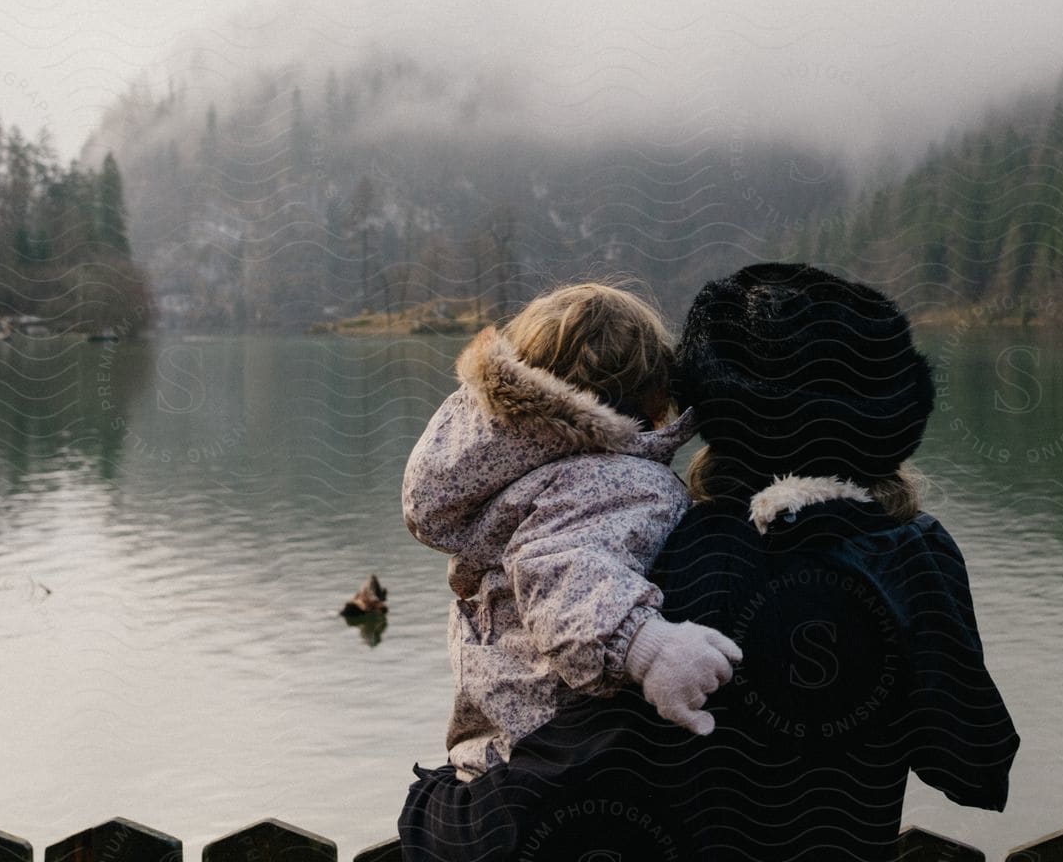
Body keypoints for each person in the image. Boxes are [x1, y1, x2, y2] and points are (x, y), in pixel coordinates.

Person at [399, 263, 1019, 861]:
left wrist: (432, 810)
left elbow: (549, 801)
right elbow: (974, 766)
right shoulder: (916, 553)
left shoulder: (679, 559)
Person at [400, 281, 744, 786]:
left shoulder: (513, 474)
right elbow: (559, 567)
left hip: (493, 755)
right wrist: (648, 646)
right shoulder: (617, 480)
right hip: (558, 761)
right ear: (653, 393)